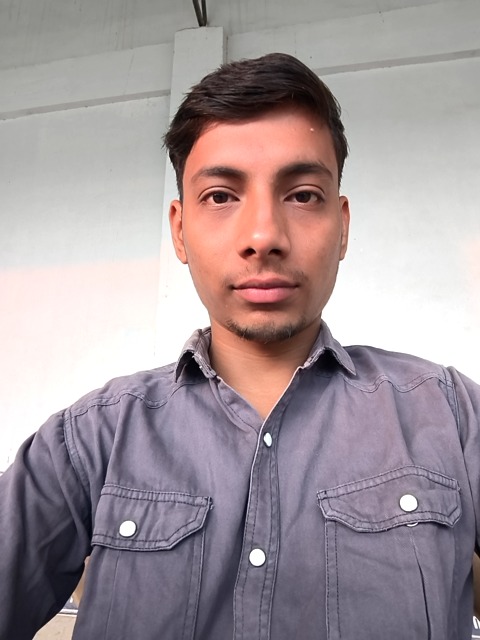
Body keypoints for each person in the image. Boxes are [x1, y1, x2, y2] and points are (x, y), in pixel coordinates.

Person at [0, 52, 479, 640]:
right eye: (221, 196)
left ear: (343, 225)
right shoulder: (89, 441)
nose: (263, 236)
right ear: (180, 229)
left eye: (302, 195)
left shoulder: (451, 415)